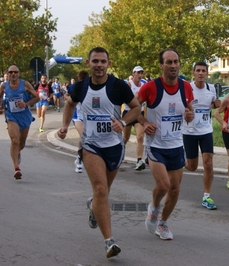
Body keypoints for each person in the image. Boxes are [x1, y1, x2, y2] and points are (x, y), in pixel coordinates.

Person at [57, 47, 141, 258]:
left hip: (114, 146)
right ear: (88, 63)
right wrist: (65, 126)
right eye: (95, 61)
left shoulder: (118, 86)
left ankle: (94, 205)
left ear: (108, 64)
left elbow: (136, 108)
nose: (99, 65)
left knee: (103, 193)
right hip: (91, 146)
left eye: (103, 61)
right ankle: (109, 242)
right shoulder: (81, 87)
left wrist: (122, 121)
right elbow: (69, 104)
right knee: (101, 190)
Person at [137, 48, 194, 240]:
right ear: (161, 65)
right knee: (163, 185)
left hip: (176, 145)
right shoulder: (151, 87)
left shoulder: (186, 87)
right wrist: (144, 123)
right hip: (156, 146)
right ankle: (153, 208)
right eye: (169, 62)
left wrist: (189, 115)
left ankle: (162, 223)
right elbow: (132, 107)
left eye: (176, 62)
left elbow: (189, 110)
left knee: (175, 189)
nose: (173, 65)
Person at [182, 61, 221, 210]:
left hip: (206, 131)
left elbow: (211, 104)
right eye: (198, 70)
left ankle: (207, 196)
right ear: (193, 73)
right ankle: (180, 160)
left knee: (208, 163)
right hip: (189, 132)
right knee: (192, 167)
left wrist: (217, 104)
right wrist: (186, 114)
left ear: (207, 73)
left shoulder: (211, 89)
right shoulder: (187, 88)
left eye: (203, 71)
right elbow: (181, 107)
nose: (200, 73)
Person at [0, 65, 39, 179]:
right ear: (8, 74)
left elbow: (37, 97)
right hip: (12, 116)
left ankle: (18, 152)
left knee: (21, 144)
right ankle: (16, 168)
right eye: (11, 72)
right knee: (15, 140)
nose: (13, 74)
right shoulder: (4, 85)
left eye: (15, 72)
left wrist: (26, 104)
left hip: (24, 116)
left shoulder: (25, 84)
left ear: (19, 73)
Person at [64, 70, 89, 173]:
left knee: (88, 137)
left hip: (88, 116)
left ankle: (85, 156)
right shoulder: (75, 86)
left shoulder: (91, 86)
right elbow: (66, 95)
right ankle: (79, 159)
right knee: (83, 134)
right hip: (77, 115)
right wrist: (72, 99)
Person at [124, 65, 147, 171]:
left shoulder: (144, 85)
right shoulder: (129, 85)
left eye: (141, 73)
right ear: (133, 74)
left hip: (139, 113)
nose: (140, 75)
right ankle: (120, 153)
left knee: (140, 136)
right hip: (128, 113)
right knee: (125, 138)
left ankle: (139, 160)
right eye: (138, 73)